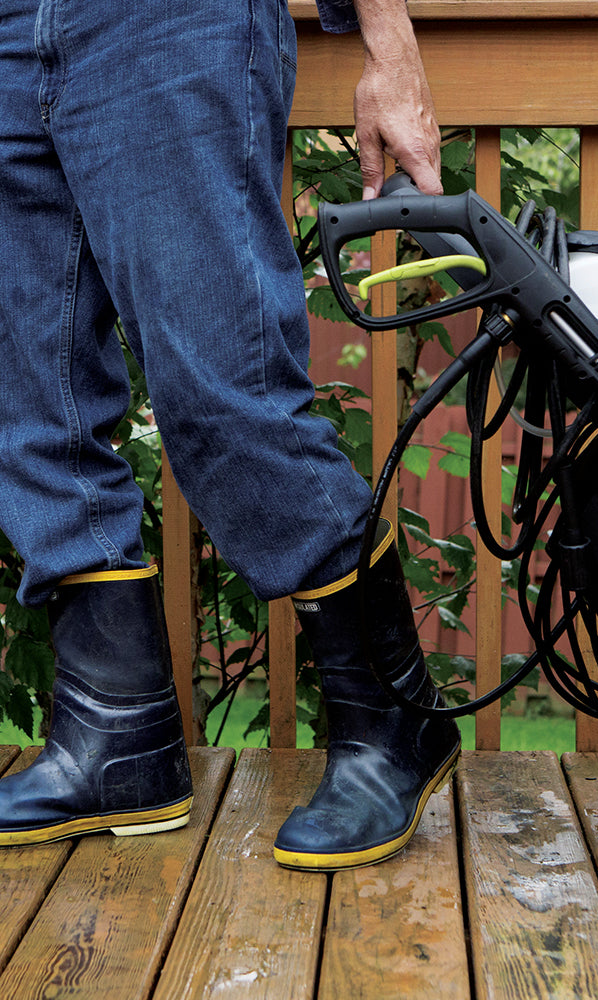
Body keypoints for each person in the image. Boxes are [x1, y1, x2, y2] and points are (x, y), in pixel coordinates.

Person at [0, 0, 461, 871]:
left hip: (164, 20)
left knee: (222, 389)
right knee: (27, 403)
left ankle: (391, 721)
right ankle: (115, 743)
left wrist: (390, 48)